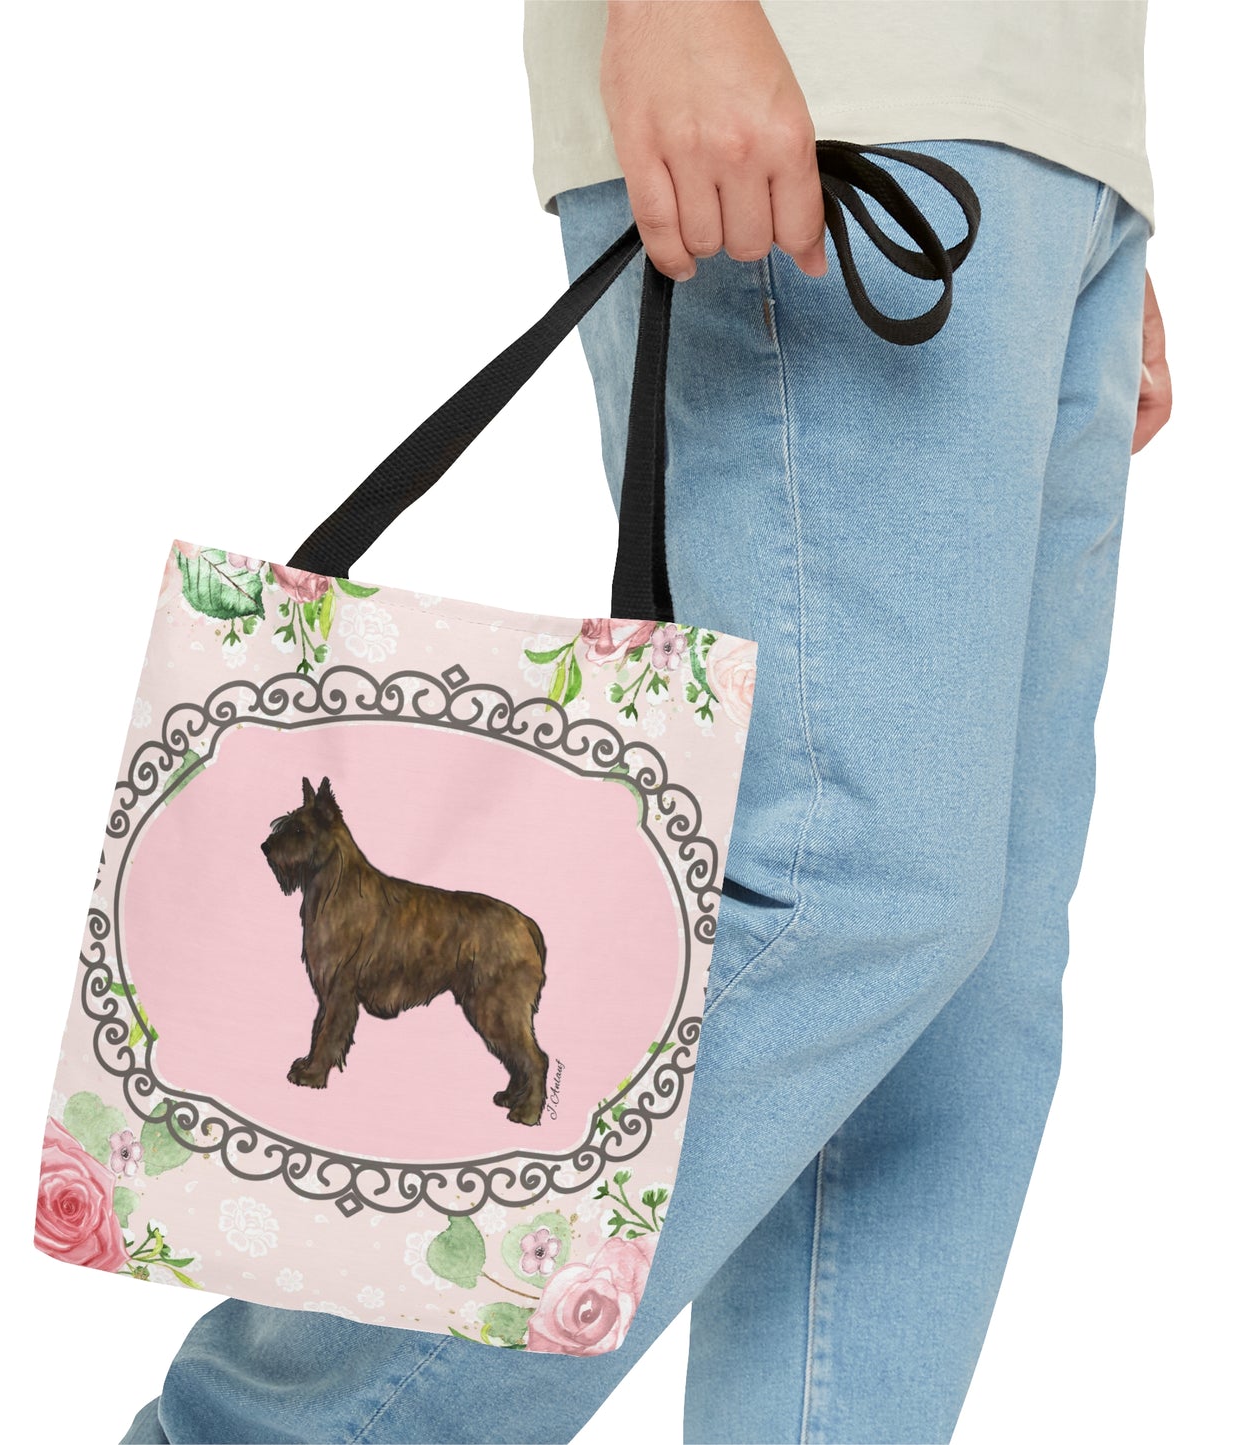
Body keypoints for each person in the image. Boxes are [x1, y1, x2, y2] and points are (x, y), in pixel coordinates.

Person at [122, 3, 1172, 1440]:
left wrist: (1083, 175)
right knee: (841, 890)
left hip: (1042, 144)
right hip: (833, 85)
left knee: (960, 1008)